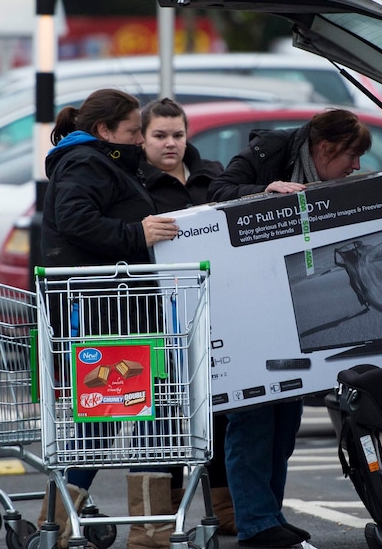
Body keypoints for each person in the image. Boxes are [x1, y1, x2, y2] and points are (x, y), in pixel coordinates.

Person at [208, 108, 372, 548]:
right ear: (324, 148)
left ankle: (270, 515)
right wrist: (263, 191)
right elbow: (215, 191)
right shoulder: (271, 150)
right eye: (350, 156)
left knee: (285, 420)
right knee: (253, 417)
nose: (356, 166)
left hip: (289, 310)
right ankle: (256, 523)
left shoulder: (324, 175)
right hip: (247, 306)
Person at [38, 88, 179, 549]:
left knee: (111, 421)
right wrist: (136, 233)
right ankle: (145, 532)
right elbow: (74, 219)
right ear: (105, 131)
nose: (140, 139)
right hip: (111, 313)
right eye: (134, 131)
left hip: (120, 311)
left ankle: (58, 526)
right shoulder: (87, 163)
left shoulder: (100, 160)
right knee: (140, 418)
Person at [137, 98, 237, 536]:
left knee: (219, 413)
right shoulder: (135, 183)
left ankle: (227, 511)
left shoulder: (211, 174)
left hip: (213, 310)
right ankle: (161, 518)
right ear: (143, 138)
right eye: (159, 135)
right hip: (157, 316)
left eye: (177, 134)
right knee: (162, 416)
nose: (170, 143)